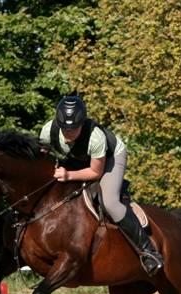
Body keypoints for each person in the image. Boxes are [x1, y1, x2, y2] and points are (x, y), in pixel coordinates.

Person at [39, 95, 164, 276]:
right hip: (77, 160)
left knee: (110, 202)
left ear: (82, 123)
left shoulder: (95, 138)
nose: (69, 133)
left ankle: (148, 252)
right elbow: (42, 159)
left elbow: (95, 173)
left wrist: (68, 175)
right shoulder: (48, 131)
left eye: (74, 128)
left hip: (110, 159)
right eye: (65, 128)